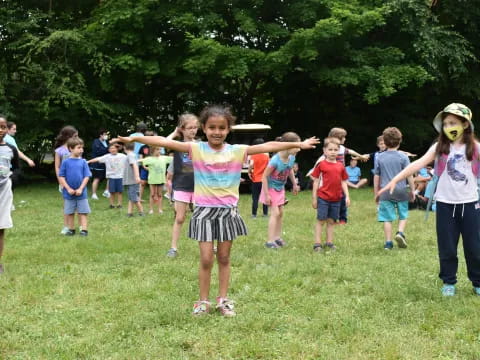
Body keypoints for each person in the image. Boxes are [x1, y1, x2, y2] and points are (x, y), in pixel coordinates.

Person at [117, 104, 319, 317]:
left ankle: (223, 300)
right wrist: (135, 140)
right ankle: (203, 301)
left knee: (223, 257)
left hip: (227, 212)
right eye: (212, 127)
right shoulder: (196, 148)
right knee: (206, 258)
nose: (217, 132)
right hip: (204, 212)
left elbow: (268, 145)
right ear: (204, 128)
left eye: (221, 128)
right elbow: (166, 142)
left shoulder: (236, 150)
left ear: (228, 129)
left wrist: (300, 144)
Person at [378, 103, 480, 297]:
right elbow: (418, 163)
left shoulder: (474, 147)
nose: (449, 127)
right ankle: (449, 282)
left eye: (453, 123)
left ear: (465, 124)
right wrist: (395, 179)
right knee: (447, 247)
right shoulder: (439, 147)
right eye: (446, 124)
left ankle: (477, 281)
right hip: (444, 205)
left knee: (474, 247)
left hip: (470, 204)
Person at [308, 127, 368, 224]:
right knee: (333, 199)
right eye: (343, 137)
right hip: (331, 180)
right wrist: (313, 171)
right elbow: (318, 163)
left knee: (343, 199)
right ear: (337, 138)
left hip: (341, 178)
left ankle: (343, 218)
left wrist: (361, 156)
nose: (345, 139)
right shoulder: (328, 152)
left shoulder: (342, 149)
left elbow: (351, 151)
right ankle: (331, 217)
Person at [374, 127, 414, 250]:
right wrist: (412, 190)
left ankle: (388, 243)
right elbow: (409, 174)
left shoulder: (379, 157)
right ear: (400, 141)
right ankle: (400, 232)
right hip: (401, 190)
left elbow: (376, 176)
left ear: (384, 142)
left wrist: (377, 193)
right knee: (403, 214)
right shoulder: (403, 157)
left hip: (385, 191)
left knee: (387, 217)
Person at [164, 114, 199, 257]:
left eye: (195, 127)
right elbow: (164, 143)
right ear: (182, 129)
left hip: (200, 187)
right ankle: (173, 248)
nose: (193, 130)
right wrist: (174, 133)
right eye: (190, 128)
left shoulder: (199, 145)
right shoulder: (177, 146)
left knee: (203, 217)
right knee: (180, 218)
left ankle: (211, 245)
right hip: (181, 186)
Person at [260, 132, 302, 248]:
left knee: (281, 213)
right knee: (275, 213)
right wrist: (267, 195)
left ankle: (277, 238)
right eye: (296, 146)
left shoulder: (291, 158)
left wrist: (294, 184)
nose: (299, 149)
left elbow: (290, 170)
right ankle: (270, 241)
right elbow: (264, 177)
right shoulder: (275, 161)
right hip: (271, 188)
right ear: (286, 145)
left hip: (280, 188)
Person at [311, 137, 350, 252]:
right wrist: (314, 198)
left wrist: (347, 196)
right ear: (324, 151)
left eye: (335, 150)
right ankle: (317, 244)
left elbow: (343, 181)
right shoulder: (321, 165)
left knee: (332, 221)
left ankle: (329, 242)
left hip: (337, 198)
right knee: (321, 220)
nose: (333, 152)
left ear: (338, 151)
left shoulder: (340, 166)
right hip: (323, 197)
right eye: (330, 149)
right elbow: (316, 181)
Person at [58, 137, 91, 236]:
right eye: (79, 147)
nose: (81, 150)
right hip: (69, 193)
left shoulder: (83, 162)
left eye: (82, 148)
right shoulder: (66, 162)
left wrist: (81, 188)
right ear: (71, 149)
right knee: (70, 212)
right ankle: (71, 229)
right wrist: (68, 188)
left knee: (83, 212)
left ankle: (84, 230)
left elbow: (87, 176)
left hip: (81, 193)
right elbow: (62, 176)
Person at [0, 116, 19, 274]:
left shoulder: (11, 149)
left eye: (3, 127)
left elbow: (17, 168)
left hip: (4, 192)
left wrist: (11, 178)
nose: (1, 130)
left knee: (1, 228)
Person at [54, 125, 78, 234]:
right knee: (67, 205)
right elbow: (57, 167)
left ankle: (80, 225)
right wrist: (60, 181)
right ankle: (66, 226)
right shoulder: (59, 151)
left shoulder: (76, 148)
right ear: (67, 137)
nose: (77, 138)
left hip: (76, 180)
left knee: (79, 204)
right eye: (75, 136)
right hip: (65, 181)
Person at [88, 143, 126, 209]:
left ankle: (119, 204)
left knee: (119, 192)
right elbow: (97, 159)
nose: (112, 149)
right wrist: (88, 161)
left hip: (120, 176)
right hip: (111, 177)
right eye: (111, 148)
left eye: (114, 148)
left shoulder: (122, 156)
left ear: (117, 149)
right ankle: (112, 205)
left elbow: (131, 160)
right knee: (112, 192)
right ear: (108, 150)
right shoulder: (107, 156)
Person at [139, 146, 172, 214]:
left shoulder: (164, 158)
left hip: (161, 179)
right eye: (157, 149)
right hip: (152, 180)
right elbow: (141, 162)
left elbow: (175, 159)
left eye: (159, 149)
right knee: (152, 194)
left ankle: (160, 209)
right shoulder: (149, 159)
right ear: (152, 151)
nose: (159, 151)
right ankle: (151, 209)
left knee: (160, 195)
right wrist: (148, 168)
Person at [248, 138, 269, 218]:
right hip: (264, 180)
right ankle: (265, 214)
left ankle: (254, 214)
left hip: (256, 179)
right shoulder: (266, 156)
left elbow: (251, 165)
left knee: (255, 198)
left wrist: (249, 172)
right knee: (265, 196)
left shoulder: (253, 155)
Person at [123, 142, 144, 217]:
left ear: (124, 148)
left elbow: (135, 165)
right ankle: (129, 213)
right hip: (131, 181)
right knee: (131, 198)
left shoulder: (130, 155)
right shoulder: (132, 155)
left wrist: (137, 177)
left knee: (134, 198)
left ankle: (141, 212)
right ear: (134, 148)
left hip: (133, 181)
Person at [90, 129, 110, 200]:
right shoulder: (96, 142)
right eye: (105, 134)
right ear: (100, 135)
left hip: (105, 163)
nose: (106, 136)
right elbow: (99, 151)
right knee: (97, 178)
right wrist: (108, 148)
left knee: (109, 177)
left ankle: (107, 191)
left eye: (106, 134)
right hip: (97, 164)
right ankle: (94, 194)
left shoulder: (106, 142)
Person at [138, 130, 155, 202]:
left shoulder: (155, 146)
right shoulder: (143, 147)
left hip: (153, 167)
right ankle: (139, 198)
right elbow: (141, 158)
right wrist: (144, 166)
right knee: (142, 183)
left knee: (154, 183)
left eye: (151, 137)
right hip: (144, 167)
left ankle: (154, 198)